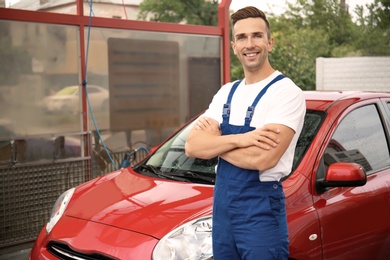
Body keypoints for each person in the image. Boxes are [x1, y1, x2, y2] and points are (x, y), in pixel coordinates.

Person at [185, 6, 306, 260]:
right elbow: (192, 146)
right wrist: (241, 140)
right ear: (233, 46)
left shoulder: (285, 93)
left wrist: (216, 143)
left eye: (257, 36)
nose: (249, 44)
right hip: (222, 211)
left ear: (270, 42)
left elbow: (263, 159)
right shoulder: (226, 92)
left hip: (260, 211)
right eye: (242, 37)